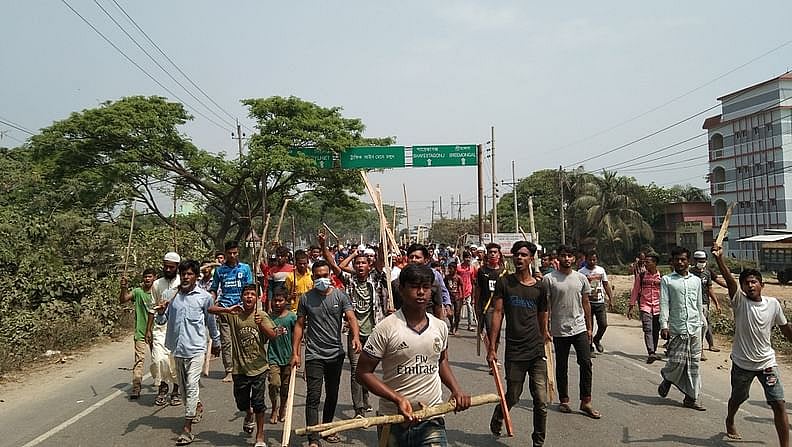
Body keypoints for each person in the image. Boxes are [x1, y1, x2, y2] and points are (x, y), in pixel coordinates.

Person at [356, 264, 472, 447]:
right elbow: (363, 373)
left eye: (425, 287)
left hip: (431, 416)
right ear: (401, 290)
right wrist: (398, 399)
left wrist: (456, 390)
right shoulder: (386, 328)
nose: (421, 292)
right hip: (393, 420)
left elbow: (441, 361)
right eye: (414, 287)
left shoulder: (440, 327)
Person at [713, 243, 792, 445]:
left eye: (754, 282)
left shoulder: (773, 304)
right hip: (742, 364)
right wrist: (720, 258)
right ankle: (730, 419)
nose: (750, 285)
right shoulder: (739, 301)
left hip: (767, 363)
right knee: (738, 398)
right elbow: (730, 281)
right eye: (746, 283)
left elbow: (785, 329)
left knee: (779, 404)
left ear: (761, 285)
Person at [290, 260, 362, 447]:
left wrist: (356, 337)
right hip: (314, 354)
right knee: (313, 396)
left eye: (325, 275)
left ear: (330, 275)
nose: (322, 279)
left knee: (332, 394)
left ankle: (328, 428)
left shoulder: (340, 296)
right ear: (313, 277)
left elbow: (352, 317)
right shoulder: (306, 298)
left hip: (336, 354)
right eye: (318, 276)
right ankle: (313, 437)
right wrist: (296, 353)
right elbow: (299, 326)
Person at [320, 232, 389, 419]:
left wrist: (383, 236)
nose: (360, 266)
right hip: (355, 333)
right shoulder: (348, 281)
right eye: (357, 263)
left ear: (369, 266)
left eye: (363, 263)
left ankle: (365, 398)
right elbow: (332, 264)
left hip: (375, 332)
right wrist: (323, 245)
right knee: (356, 369)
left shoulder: (375, 279)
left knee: (369, 370)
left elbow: (382, 258)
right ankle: (358, 408)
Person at [487, 241, 549, 445]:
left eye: (523, 255)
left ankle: (538, 442)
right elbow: (497, 313)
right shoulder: (506, 283)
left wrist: (545, 335)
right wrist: (492, 348)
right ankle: (499, 413)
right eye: (516, 255)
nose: (519, 258)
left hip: (536, 350)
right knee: (513, 394)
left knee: (541, 401)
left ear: (531, 259)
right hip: (515, 350)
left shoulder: (540, 287)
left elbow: (543, 315)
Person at [155, 260, 221, 446]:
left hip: (197, 348)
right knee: (183, 389)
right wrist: (161, 312)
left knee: (192, 385)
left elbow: (211, 321)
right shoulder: (170, 295)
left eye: (189, 274)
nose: (185, 277)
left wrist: (215, 341)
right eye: (183, 274)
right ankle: (196, 405)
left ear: (196, 276)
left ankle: (187, 429)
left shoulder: (205, 297)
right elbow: (161, 321)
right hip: (177, 348)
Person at [210, 284, 276, 447]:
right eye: (246, 294)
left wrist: (261, 324)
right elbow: (209, 309)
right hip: (239, 369)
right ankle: (248, 414)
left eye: (252, 294)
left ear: (257, 298)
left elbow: (274, 335)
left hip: (259, 367)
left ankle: (260, 437)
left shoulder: (261, 315)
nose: (249, 297)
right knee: (242, 403)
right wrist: (227, 310)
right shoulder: (234, 314)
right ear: (241, 297)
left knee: (259, 403)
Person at [542, 245, 599, 418]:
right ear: (557, 258)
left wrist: (589, 328)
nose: (566, 259)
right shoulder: (549, 279)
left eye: (570, 256)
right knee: (562, 366)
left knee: (586, 363)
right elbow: (545, 306)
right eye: (563, 256)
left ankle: (586, 401)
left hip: (579, 327)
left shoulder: (581, 278)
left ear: (574, 259)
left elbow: (586, 303)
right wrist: (545, 328)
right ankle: (564, 400)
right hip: (559, 329)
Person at [657, 246, 706, 411]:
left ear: (689, 261)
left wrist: (701, 323)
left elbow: (699, 305)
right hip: (677, 328)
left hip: (695, 328)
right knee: (677, 362)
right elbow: (664, 304)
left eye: (683, 259)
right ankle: (668, 378)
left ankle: (691, 398)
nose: (680, 262)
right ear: (672, 261)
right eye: (677, 259)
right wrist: (664, 325)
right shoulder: (667, 280)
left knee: (694, 365)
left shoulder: (696, 281)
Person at [210, 240, 255, 383]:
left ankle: (245, 367)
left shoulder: (245, 268)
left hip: (242, 309)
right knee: (226, 341)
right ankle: (229, 370)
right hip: (225, 309)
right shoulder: (219, 270)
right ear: (225, 253)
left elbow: (250, 289)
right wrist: (210, 299)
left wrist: (249, 305)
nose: (232, 255)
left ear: (238, 252)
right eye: (229, 253)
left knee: (245, 339)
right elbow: (214, 288)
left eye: (235, 253)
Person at [145, 252, 182, 407]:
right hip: (160, 328)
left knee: (175, 362)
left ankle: (175, 391)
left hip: (178, 328)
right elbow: (152, 308)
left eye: (171, 267)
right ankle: (162, 387)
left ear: (177, 267)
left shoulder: (183, 282)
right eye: (165, 266)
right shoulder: (157, 284)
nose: (167, 269)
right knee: (158, 359)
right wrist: (148, 330)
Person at [119, 267, 157, 400]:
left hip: (156, 332)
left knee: (158, 359)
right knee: (139, 361)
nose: (147, 279)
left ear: (155, 278)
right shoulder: (138, 292)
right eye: (145, 277)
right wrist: (124, 287)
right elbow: (123, 299)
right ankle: (136, 387)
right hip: (140, 331)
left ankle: (160, 382)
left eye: (150, 276)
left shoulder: (157, 293)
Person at [391, 243, 449, 319]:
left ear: (425, 260)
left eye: (417, 257)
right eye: (411, 257)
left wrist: (440, 326)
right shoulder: (397, 283)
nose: (414, 260)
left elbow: (438, 308)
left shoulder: (433, 284)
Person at [267, 287, 297, 424]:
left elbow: (297, 338)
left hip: (288, 357)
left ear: (286, 301)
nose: (277, 303)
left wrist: (296, 355)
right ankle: (274, 407)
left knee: (285, 387)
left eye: (280, 300)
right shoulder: (269, 317)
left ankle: (282, 408)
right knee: (274, 384)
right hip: (273, 357)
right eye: (275, 301)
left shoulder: (292, 317)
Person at [627, 252, 663, 363]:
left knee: (656, 330)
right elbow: (635, 290)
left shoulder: (662, 277)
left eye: (648, 262)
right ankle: (651, 352)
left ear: (655, 263)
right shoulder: (641, 276)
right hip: (645, 306)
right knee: (648, 329)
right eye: (645, 262)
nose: (645, 264)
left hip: (658, 306)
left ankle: (654, 351)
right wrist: (631, 306)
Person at [690, 250, 724, 359]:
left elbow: (710, 289)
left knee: (706, 324)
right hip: (693, 304)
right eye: (700, 261)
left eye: (703, 261)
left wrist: (717, 303)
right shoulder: (690, 273)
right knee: (700, 326)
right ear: (694, 261)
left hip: (704, 303)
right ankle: (699, 350)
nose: (702, 263)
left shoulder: (707, 273)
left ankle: (708, 345)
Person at [577, 252, 612, 354]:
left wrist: (610, 299)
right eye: (590, 260)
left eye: (594, 260)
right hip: (587, 302)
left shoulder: (601, 270)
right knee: (589, 326)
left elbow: (606, 284)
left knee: (603, 324)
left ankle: (597, 339)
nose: (592, 262)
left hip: (599, 301)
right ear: (586, 260)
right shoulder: (581, 272)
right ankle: (590, 346)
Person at [475, 243, 506, 348]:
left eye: (495, 252)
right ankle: (491, 355)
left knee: (496, 333)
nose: (493, 254)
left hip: (500, 307)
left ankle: (493, 354)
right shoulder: (482, 271)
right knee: (490, 330)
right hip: (487, 307)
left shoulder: (504, 272)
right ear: (487, 254)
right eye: (490, 252)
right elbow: (478, 289)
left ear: (499, 254)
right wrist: (477, 306)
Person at [456, 251, 477, 331]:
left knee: (469, 308)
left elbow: (473, 281)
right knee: (458, 309)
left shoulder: (472, 268)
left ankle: (470, 325)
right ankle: (456, 324)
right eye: (466, 257)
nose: (468, 259)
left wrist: (473, 294)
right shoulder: (458, 267)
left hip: (469, 290)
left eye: (469, 257)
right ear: (463, 258)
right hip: (459, 291)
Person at [444, 262, 463, 336]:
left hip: (457, 297)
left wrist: (462, 296)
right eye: (449, 268)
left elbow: (461, 287)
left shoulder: (458, 277)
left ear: (455, 269)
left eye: (451, 269)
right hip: (449, 297)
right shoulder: (447, 277)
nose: (449, 270)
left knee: (457, 313)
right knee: (450, 313)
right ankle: (452, 326)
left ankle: (456, 328)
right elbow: (444, 286)